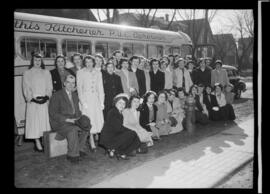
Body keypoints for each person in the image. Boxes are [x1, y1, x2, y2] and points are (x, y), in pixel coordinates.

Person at [49, 75, 91, 163]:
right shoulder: (57, 95)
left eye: (73, 83)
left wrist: (80, 118)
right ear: (64, 83)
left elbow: (77, 111)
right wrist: (67, 120)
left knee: (87, 126)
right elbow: (53, 113)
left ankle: (80, 149)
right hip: (60, 122)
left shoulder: (75, 95)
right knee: (72, 129)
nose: (71, 85)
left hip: (73, 120)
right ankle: (72, 155)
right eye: (68, 82)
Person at [22, 53, 53, 152]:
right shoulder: (27, 73)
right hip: (33, 102)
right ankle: (37, 142)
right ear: (32, 61)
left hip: (44, 101)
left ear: (42, 61)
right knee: (34, 122)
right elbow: (26, 87)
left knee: (44, 122)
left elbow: (49, 86)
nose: (37, 62)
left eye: (39, 60)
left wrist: (47, 97)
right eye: (35, 60)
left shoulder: (46, 72)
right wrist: (32, 98)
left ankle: (44, 141)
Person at [99, 94, 141, 160]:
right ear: (115, 102)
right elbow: (118, 128)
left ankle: (118, 151)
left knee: (135, 138)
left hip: (114, 135)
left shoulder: (119, 113)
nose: (122, 105)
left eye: (124, 104)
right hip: (109, 138)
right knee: (132, 134)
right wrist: (131, 130)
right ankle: (116, 150)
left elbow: (120, 128)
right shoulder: (113, 112)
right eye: (120, 103)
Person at [77, 55, 105, 152]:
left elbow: (100, 88)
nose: (89, 64)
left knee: (96, 121)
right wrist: (82, 102)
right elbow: (79, 89)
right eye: (87, 62)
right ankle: (91, 142)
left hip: (95, 100)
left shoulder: (98, 72)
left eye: (90, 62)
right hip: (86, 100)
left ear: (93, 62)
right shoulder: (80, 72)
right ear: (84, 63)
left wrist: (102, 101)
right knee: (89, 121)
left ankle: (99, 141)